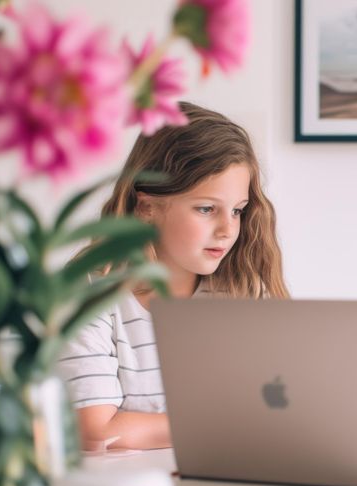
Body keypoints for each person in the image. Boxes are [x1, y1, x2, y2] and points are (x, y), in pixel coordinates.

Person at [57, 102, 288, 450]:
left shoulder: (242, 290)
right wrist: (228, 424)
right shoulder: (90, 294)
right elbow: (98, 432)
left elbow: (276, 410)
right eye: (206, 209)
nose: (227, 229)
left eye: (237, 211)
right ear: (147, 206)